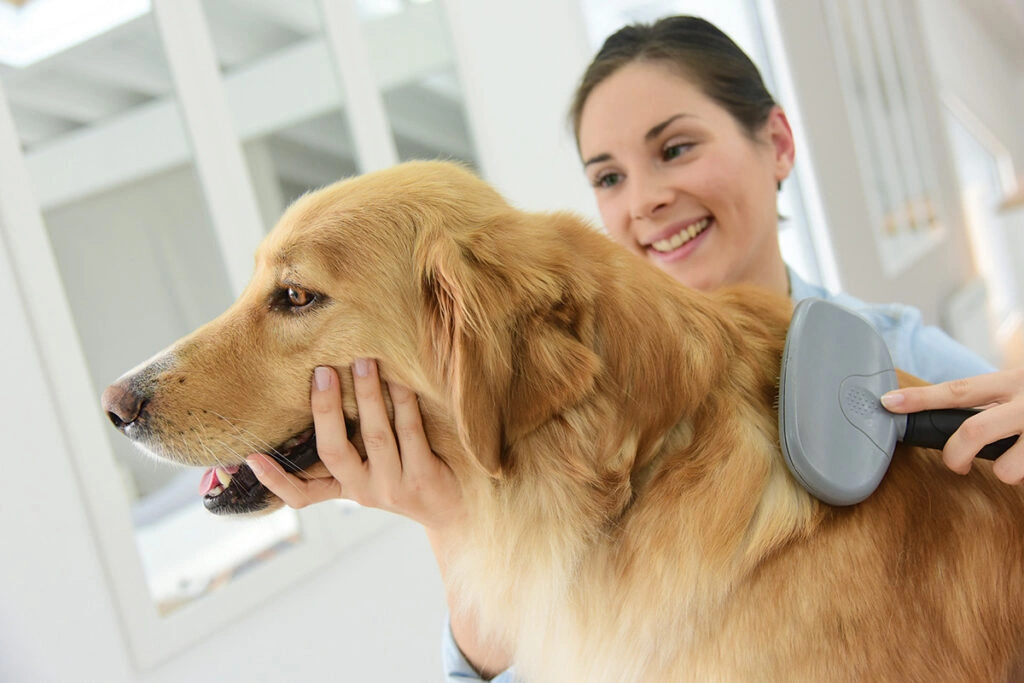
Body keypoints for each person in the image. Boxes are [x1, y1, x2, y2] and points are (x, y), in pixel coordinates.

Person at [244, 15, 1024, 682]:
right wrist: (454, 528)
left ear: (778, 143)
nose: (644, 198)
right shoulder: (565, 424)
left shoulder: (898, 355)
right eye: (609, 177)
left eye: (676, 149)